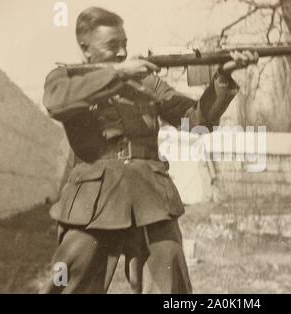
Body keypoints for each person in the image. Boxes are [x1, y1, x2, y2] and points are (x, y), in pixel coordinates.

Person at [40, 6, 258, 294]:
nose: (121, 53)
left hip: (151, 199)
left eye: (124, 44)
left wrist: (223, 77)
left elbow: (196, 122)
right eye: (112, 46)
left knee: (171, 286)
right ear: (86, 48)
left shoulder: (146, 81)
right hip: (92, 203)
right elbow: (56, 103)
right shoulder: (64, 76)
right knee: (67, 282)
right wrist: (117, 74)